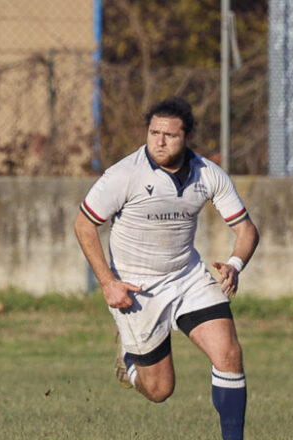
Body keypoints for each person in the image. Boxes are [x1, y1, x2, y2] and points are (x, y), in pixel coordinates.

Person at [74, 97, 258, 440]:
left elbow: (246, 229)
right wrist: (108, 283)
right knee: (159, 390)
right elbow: (84, 224)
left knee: (229, 353)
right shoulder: (124, 174)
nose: (159, 141)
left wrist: (235, 264)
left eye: (169, 135)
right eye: (153, 132)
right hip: (136, 289)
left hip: (187, 278)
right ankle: (130, 361)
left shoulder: (208, 174)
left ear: (186, 137)